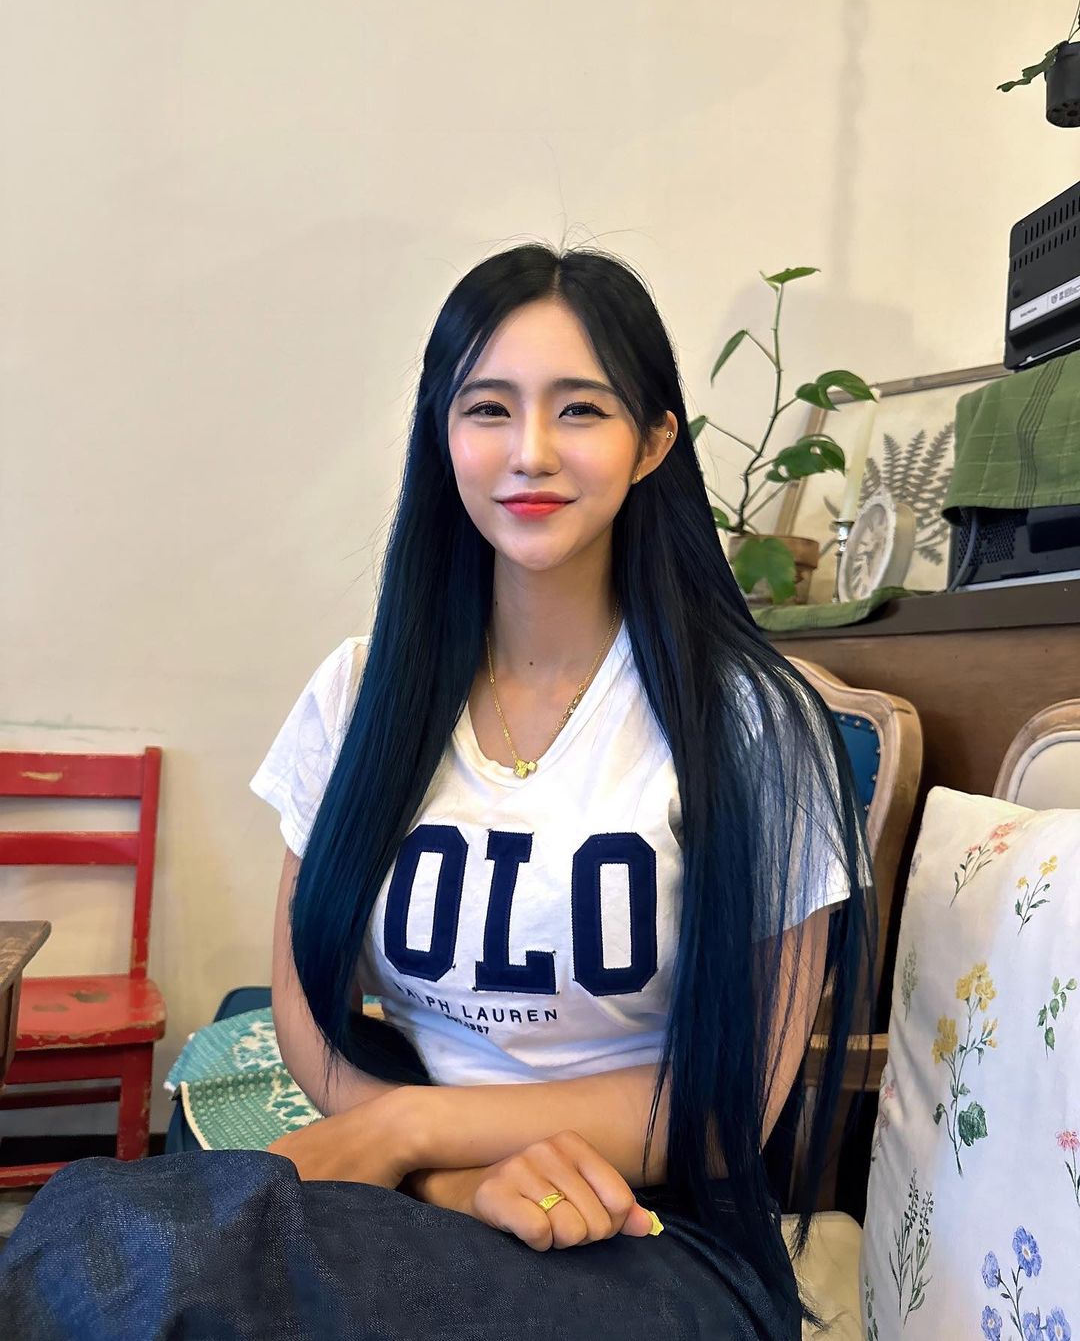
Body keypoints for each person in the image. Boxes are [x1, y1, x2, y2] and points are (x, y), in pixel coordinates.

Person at [0, 240, 873, 1340]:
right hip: (413, 1204)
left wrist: (410, 1130)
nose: (531, 452)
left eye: (582, 409)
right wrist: (445, 1177)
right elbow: (308, 1007)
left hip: (644, 1230)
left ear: (655, 442)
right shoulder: (360, 694)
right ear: (441, 433)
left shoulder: (753, 725)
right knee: (89, 1242)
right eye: (488, 409)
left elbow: (724, 1105)